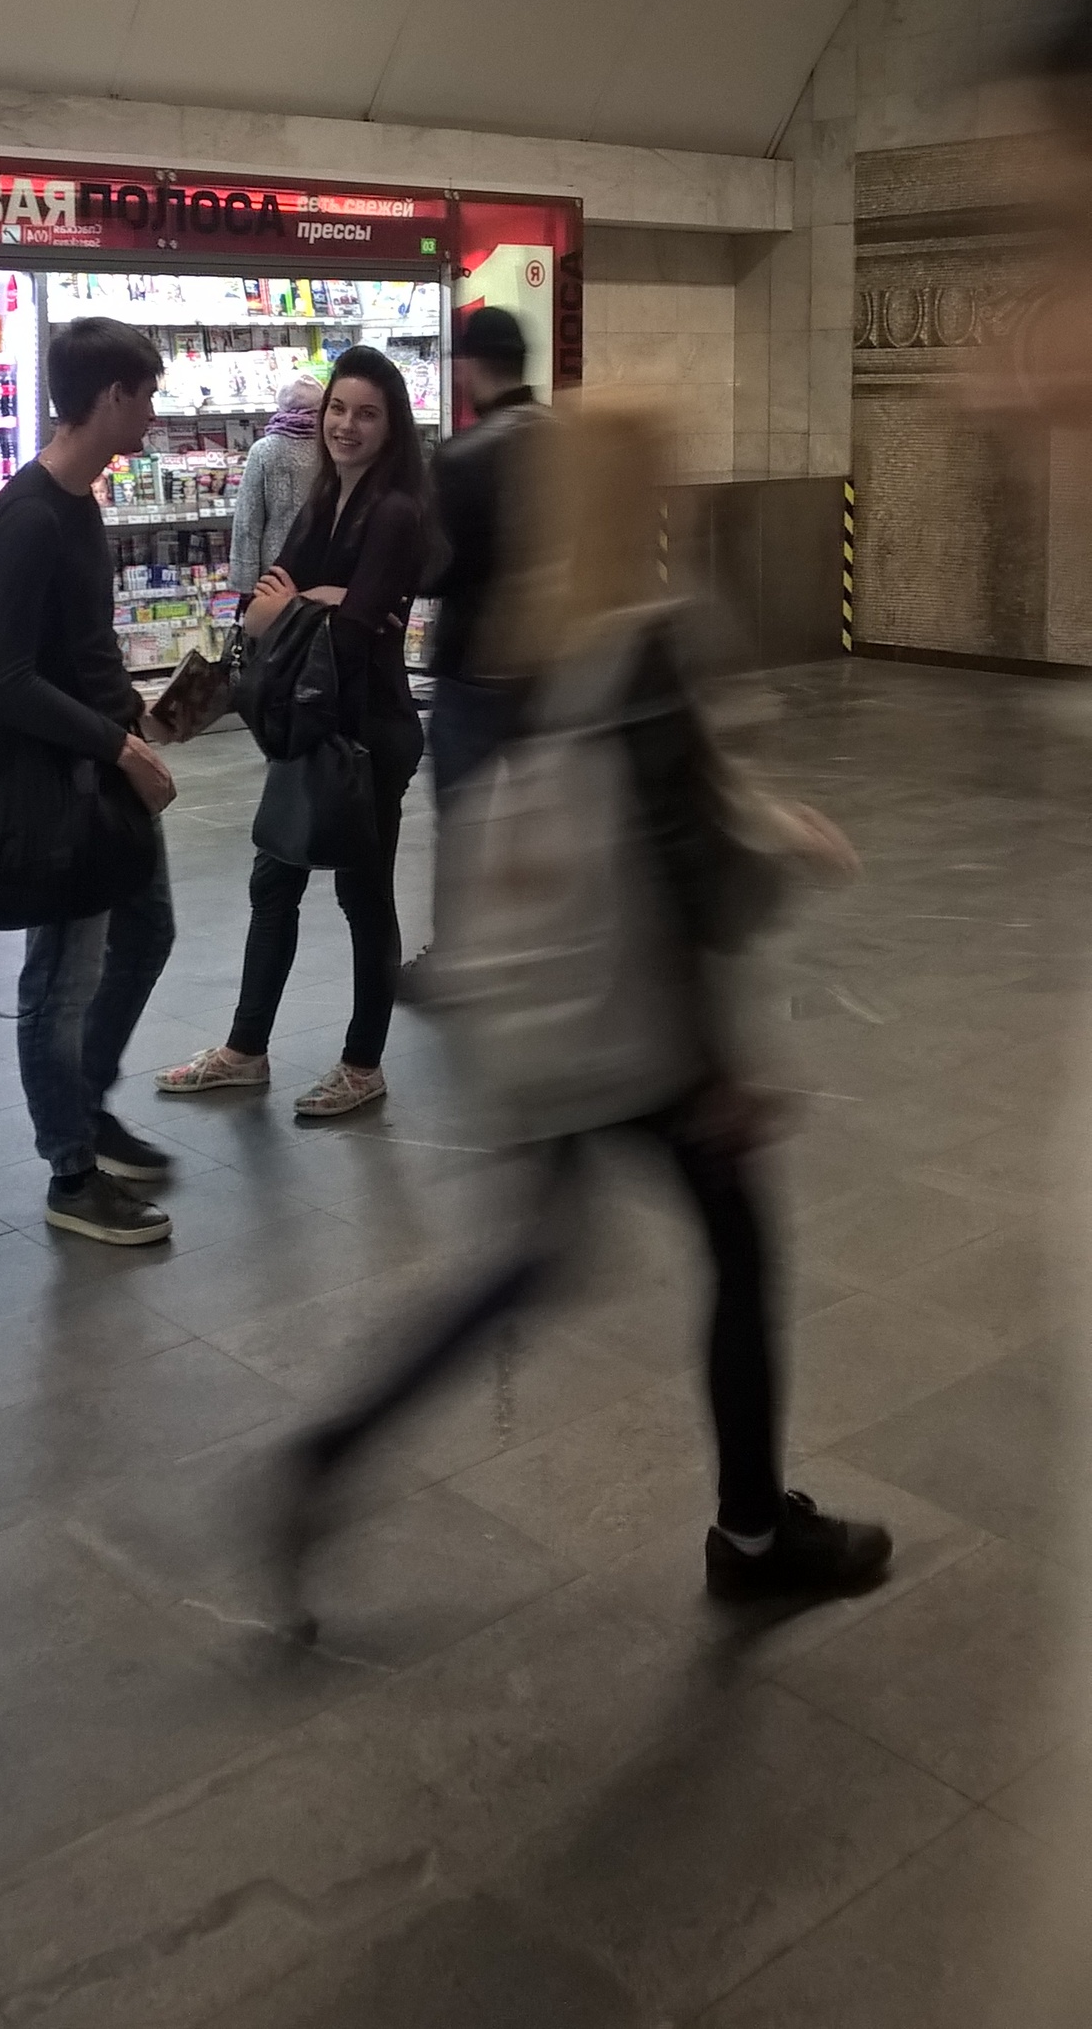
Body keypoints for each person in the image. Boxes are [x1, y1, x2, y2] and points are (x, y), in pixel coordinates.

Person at [266, 392, 894, 1625]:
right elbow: (671, 856)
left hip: (537, 1013)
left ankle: (332, 1452)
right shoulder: (644, 635)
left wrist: (759, 817)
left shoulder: (511, 639)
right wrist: (718, 1063)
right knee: (738, 1247)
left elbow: (584, 810)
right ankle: (754, 1535)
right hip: (637, 1028)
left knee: (532, 1258)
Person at [157, 346, 427, 1120]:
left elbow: (353, 630)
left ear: (390, 425)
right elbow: (265, 612)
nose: (346, 425)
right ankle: (245, 1050)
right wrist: (314, 602)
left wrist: (297, 607)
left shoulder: (398, 511)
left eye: (365, 414)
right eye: (338, 409)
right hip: (311, 726)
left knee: (362, 897)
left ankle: (363, 1063)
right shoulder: (321, 496)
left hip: (367, 734)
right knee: (273, 880)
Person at [0, 315, 179, 1246]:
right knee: (58, 979)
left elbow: (81, 650)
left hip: (109, 764)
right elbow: (6, 678)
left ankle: (85, 1102)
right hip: (65, 787)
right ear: (110, 398)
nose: (153, 412)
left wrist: (146, 715)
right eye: (147, 395)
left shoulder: (84, 500)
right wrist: (116, 744)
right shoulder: (28, 515)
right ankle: (70, 1170)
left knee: (147, 937)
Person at [398, 305, 542, 996]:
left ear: (472, 368)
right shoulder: (567, 441)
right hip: (551, 664)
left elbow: (436, 568)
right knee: (547, 817)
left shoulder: (460, 455)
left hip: (473, 668)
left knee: (459, 819)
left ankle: (454, 960)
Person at [229, 372, 325, 596]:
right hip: (325, 569)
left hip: (274, 574)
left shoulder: (264, 451)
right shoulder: (334, 448)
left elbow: (247, 522)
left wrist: (245, 586)